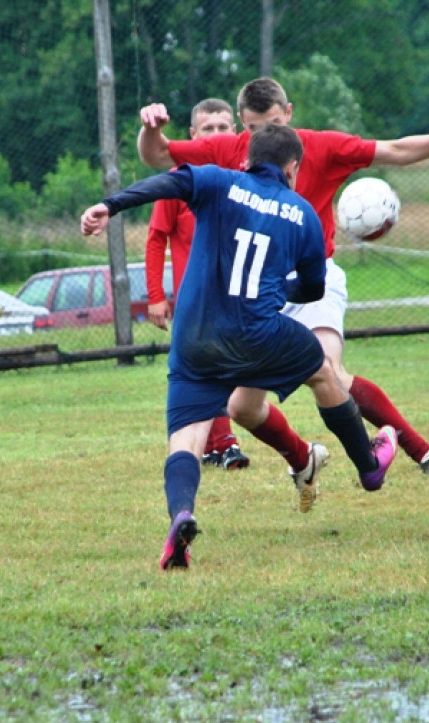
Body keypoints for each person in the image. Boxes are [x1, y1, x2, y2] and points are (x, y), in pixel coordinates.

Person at [137, 77, 429, 497]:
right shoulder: (230, 150)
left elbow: (394, 150)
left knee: (329, 370)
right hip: (259, 291)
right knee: (242, 408)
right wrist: (151, 127)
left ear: (290, 114)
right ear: (241, 125)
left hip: (312, 282)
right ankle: (304, 460)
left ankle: (425, 454)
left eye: (273, 124)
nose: (264, 137)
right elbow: (157, 154)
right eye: (252, 129)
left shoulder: (322, 147)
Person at [82, 124, 399, 570]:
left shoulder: (218, 180)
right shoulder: (303, 213)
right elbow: (311, 289)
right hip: (258, 334)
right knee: (324, 372)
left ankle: (183, 516)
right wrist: (279, 287)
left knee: (186, 439)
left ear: (247, 159)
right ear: (293, 167)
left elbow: (167, 181)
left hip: (194, 338)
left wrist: (108, 205)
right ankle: (368, 466)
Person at [144, 97, 250, 470]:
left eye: (224, 128)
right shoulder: (180, 181)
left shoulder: (245, 180)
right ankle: (224, 443)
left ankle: (211, 443)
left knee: (236, 367)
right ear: (193, 135)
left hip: (238, 292)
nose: (217, 136)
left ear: (236, 132)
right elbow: (156, 237)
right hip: (197, 296)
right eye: (208, 129)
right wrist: (156, 296)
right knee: (208, 365)